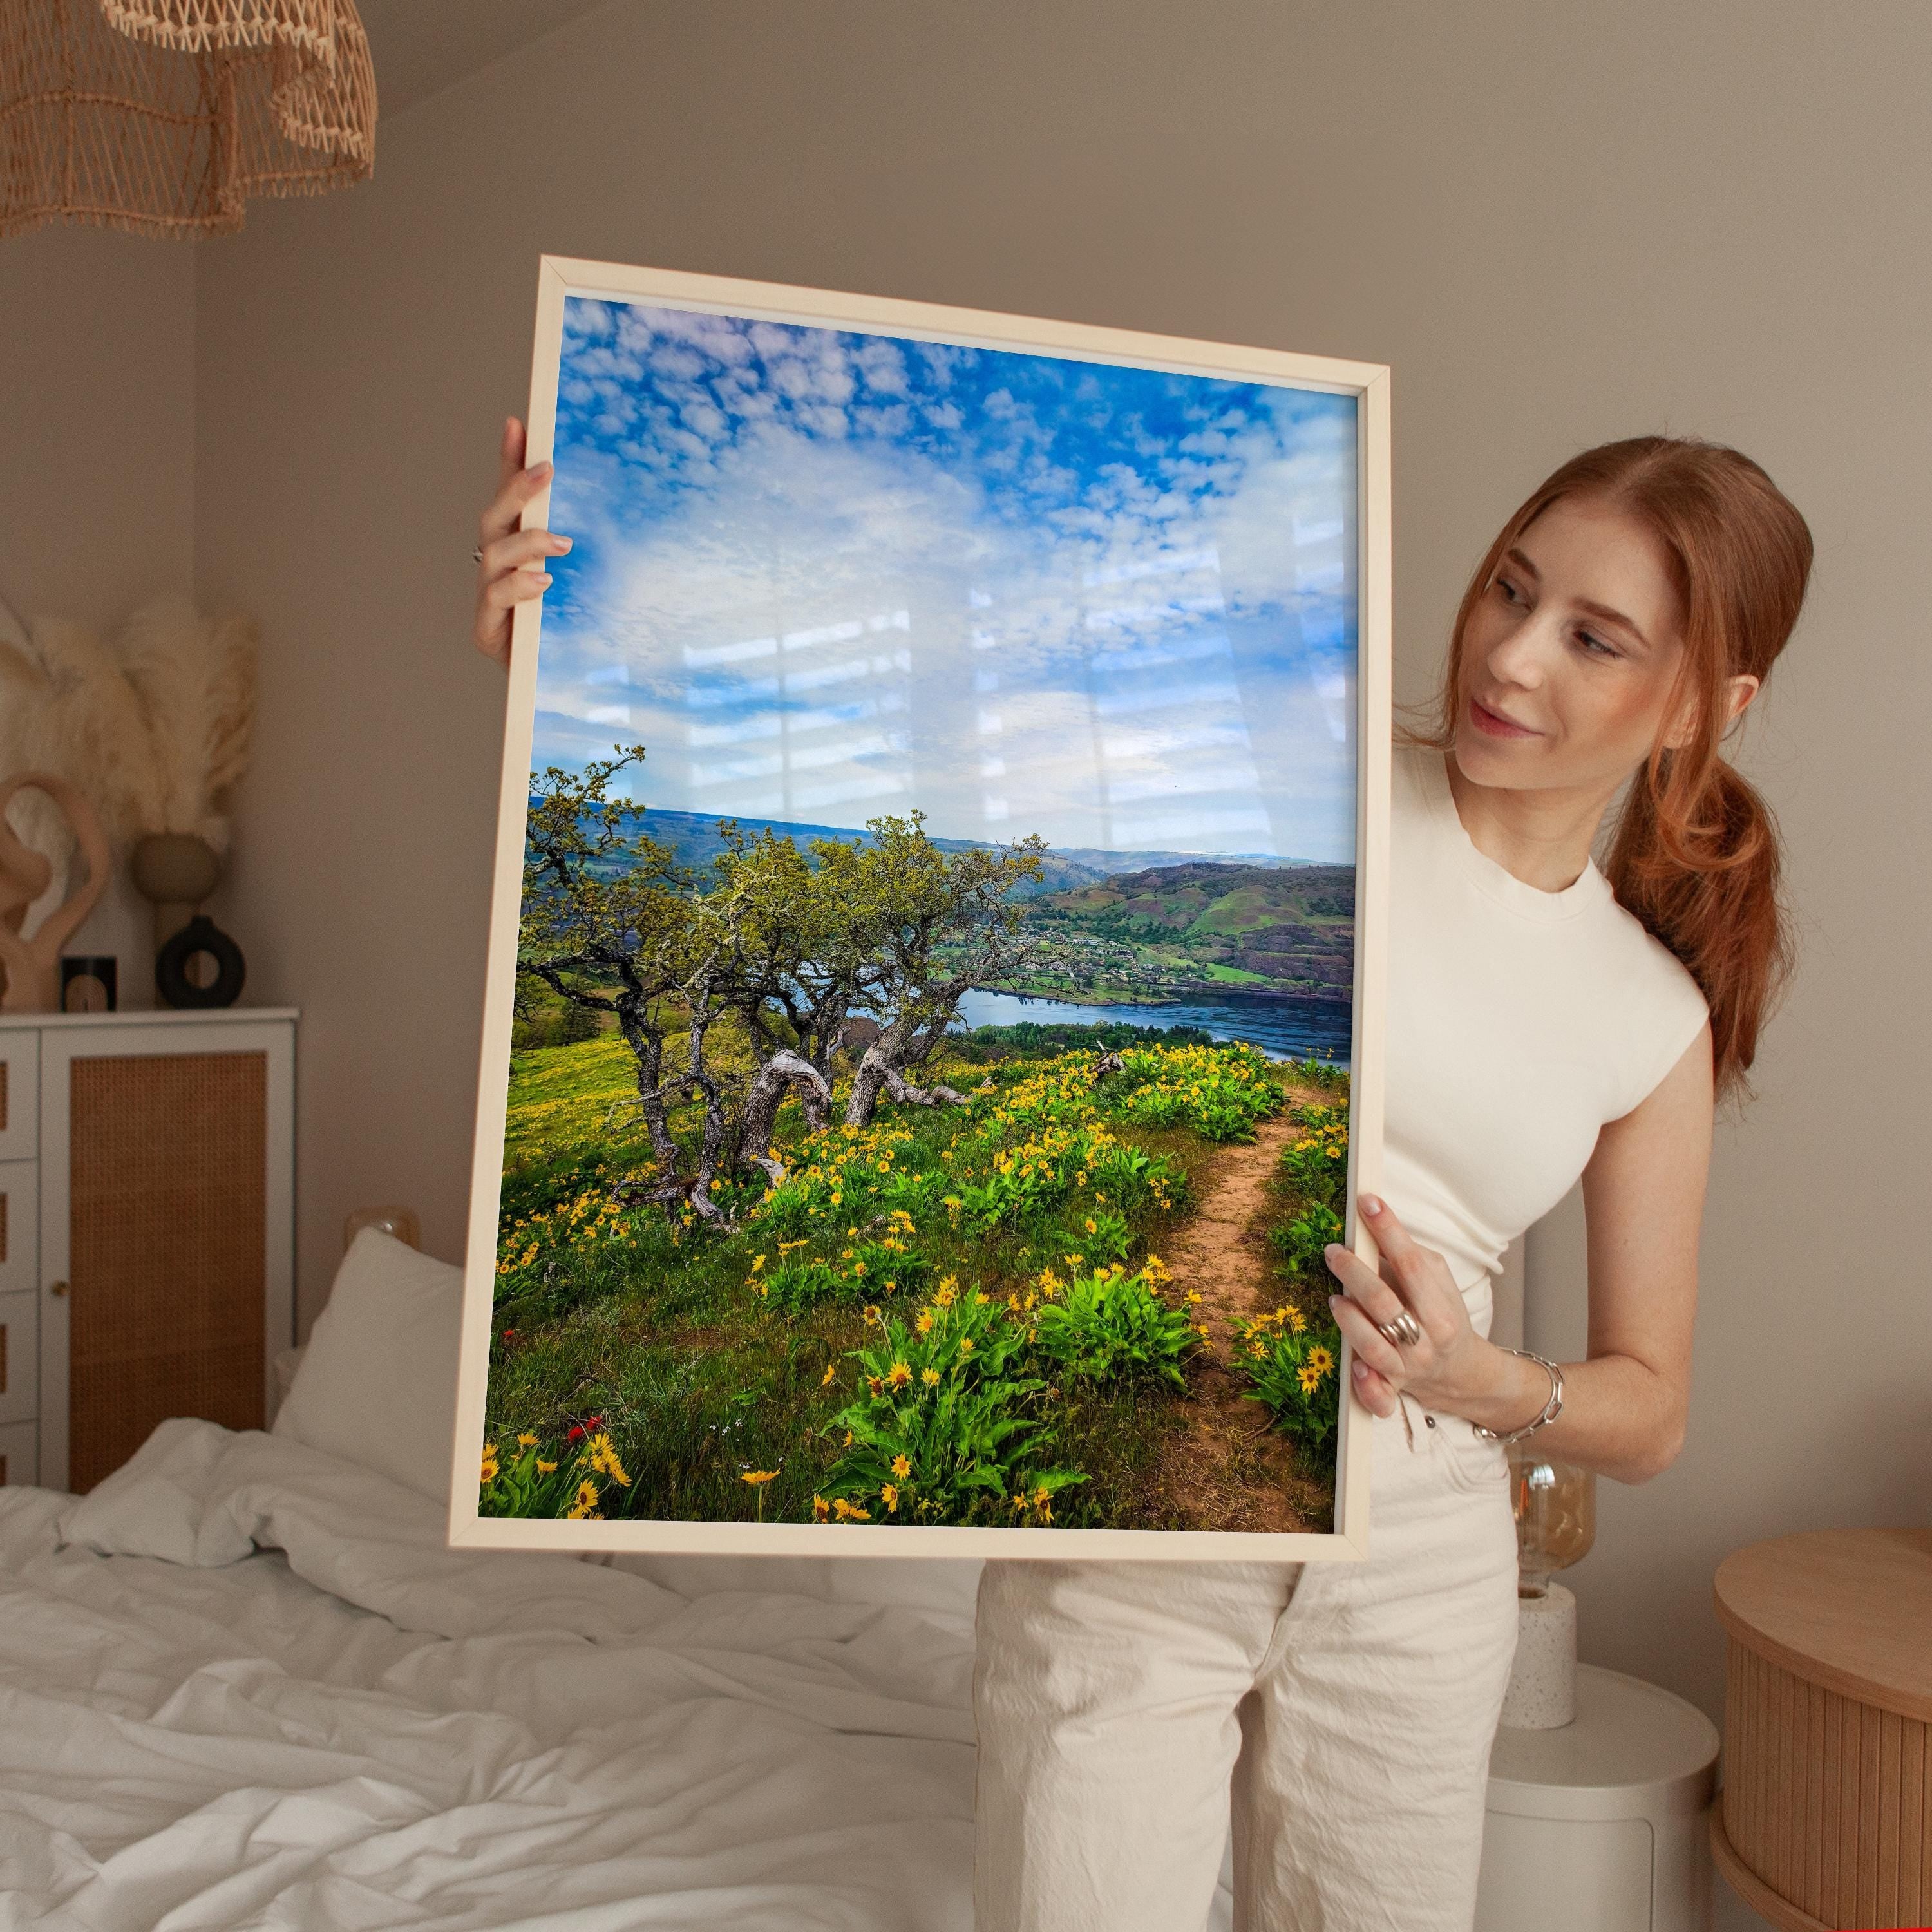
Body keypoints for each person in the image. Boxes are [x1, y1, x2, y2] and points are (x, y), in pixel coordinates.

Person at [473, 419, 1812, 1932]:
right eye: (1511, 590)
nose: (1511, 659)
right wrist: (561, 639)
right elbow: (894, 723)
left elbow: (1653, 1406)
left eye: (1592, 636)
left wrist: (1487, 1381)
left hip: (1423, 1551)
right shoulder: (1323, 776)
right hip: (1144, 1512)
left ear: (1705, 703)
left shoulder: (1652, 1014)